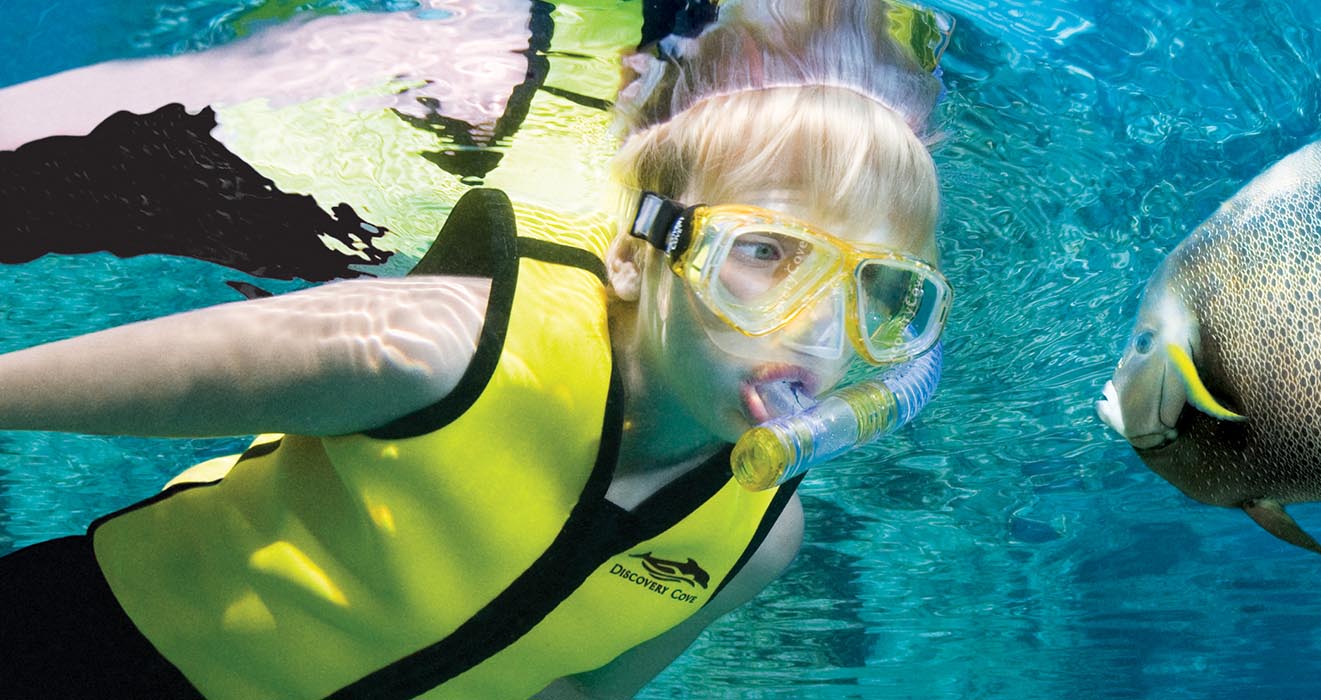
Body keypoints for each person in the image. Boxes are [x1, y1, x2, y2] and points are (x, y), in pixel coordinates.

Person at [0, 0, 952, 697]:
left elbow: (580, 690)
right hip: (85, 655)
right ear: (632, 255)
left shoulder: (761, 538)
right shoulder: (447, 346)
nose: (821, 330)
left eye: (878, 290)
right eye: (765, 254)